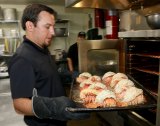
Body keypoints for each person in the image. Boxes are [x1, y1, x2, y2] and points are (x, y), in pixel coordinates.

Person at [8, 4, 89, 126]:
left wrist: (71, 76)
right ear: (30, 26)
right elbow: (19, 105)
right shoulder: (22, 58)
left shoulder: (42, 49)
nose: (53, 32)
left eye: (53, 26)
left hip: (58, 121)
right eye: (47, 27)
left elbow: (46, 76)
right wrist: (55, 107)